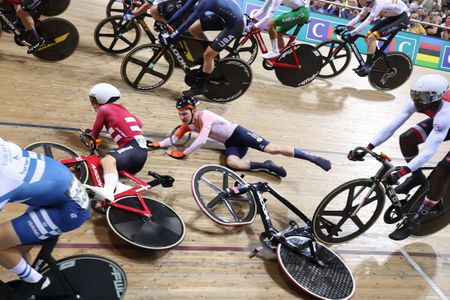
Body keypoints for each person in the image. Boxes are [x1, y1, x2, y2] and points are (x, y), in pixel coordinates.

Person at [347, 74, 450, 240]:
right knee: (407, 138)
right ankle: (417, 178)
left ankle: (418, 218)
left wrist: (403, 171)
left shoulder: (444, 114)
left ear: (435, 98)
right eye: (414, 94)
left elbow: (430, 151)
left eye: (421, 97)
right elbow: (392, 126)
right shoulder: (419, 103)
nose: (416, 100)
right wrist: (368, 148)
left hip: (447, 122)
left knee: (443, 169)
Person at [149, 96, 332, 177]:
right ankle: (266, 166)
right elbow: (174, 139)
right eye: (179, 114)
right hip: (231, 143)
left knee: (272, 148)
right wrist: (160, 144)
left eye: (184, 113)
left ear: (193, 110)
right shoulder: (187, 124)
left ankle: (312, 158)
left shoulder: (206, 116)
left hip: (240, 134)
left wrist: (185, 153)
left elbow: (202, 140)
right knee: (233, 164)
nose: (181, 117)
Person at [0, 138, 90, 299]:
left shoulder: (4, 180)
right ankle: (27, 283)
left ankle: (35, 281)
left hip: (68, 210)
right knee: (14, 251)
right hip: (56, 191)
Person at [159, 0, 245, 97]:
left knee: (208, 55)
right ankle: (210, 57)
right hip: (222, 18)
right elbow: (183, 10)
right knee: (193, 28)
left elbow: (190, 19)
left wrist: (172, 36)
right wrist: (167, 24)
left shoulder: (207, 1)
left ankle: (201, 87)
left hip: (235, 25)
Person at [84, 83, 148, 202]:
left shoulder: (104, 109)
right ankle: (120, 187)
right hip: (139, 152)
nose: (92, 104)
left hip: (133, 149)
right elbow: (139, 123)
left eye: (93, 100)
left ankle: (108, 191)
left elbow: (95, 133)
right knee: (101, 164)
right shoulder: (122, 108)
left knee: (107, 160)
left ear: (102, 98)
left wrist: (88, 135)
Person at [341, 0, 409, 76]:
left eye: (360, 0)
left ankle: (368, 65)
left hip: (402, 18)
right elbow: (360, 17)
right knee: (367, 37)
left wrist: (352, 33)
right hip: (393, 17)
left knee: (371, 38)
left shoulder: (378, 4)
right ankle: (376, 58)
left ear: (368, 1)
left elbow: (367, 22)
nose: (359, 1)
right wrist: (345, 27)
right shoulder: (367, 5)